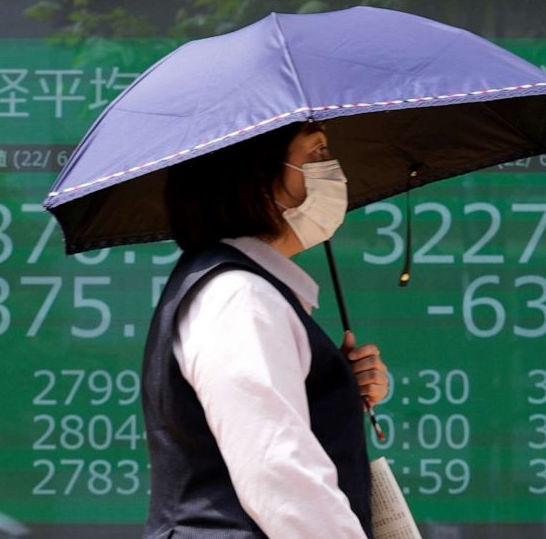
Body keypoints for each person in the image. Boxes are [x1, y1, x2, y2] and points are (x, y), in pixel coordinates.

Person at [141, 120, 390, 538]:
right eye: (315, 152)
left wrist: (337, 390)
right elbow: (280, 473)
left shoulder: (246, 290)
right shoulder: (240, 297)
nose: (333, 169)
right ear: (258, 176)